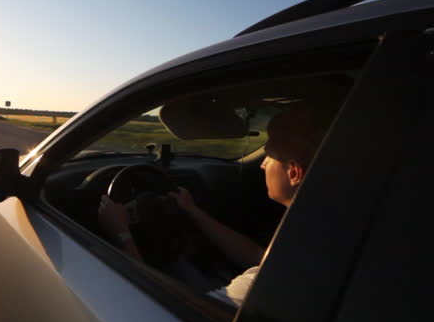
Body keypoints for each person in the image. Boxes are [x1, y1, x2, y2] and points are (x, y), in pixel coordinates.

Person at [98, 104, 331, 307]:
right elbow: (259, 257)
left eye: (268, 156)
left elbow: (172, 314)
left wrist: (122, 233)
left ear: (293, 172)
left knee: (176, 267)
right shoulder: (320, 232)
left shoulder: (276, 280)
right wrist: (193, 211)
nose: (262, 165)